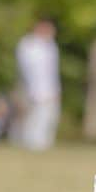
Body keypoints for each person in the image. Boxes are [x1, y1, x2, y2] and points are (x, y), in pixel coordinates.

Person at [13, 18, 60, 150]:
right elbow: (29, 71)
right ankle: (31, 144)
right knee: (33, 119)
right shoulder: (28, 45)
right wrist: (35, 90)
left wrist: (55, 90)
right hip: (33, 89)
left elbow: (52, 72)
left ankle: (43, 144)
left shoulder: (50, 46)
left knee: (48, 118)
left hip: (49, 89)